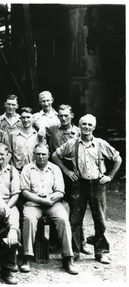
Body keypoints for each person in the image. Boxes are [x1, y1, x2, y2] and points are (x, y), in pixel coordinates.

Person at [52, 114, 122, 264]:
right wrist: (67, 171)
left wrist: (109, 177)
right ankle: (75, 251)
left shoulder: (101, 144)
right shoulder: (72, 144)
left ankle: (101, 251)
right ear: (79, 125)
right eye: (84, 124)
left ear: (94, 127)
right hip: (79, 185)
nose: (86, 127)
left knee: (100, 219)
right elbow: (55, 155)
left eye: (90, 125)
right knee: (75, 220)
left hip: (97, 184)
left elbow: (118, 158)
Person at [20, 143, 78, 275]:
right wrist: (40, 199)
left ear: (48, 155)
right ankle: (27, 257)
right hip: (33, 203)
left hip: (53, 203)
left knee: (63, 218)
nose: (40, 157)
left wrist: (49, 198)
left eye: (43, 154)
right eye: (38, 154)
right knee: (29, 218)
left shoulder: (55, 169)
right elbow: (24, 191)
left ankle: (68, 258)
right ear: (34, 154)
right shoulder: (27, 169)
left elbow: (60, 192)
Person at [47, 105, 91, 255]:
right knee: (53, 205)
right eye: (60, 115)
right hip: (56, 173)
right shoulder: (52, 130)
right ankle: (55, 241)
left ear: (72, 115)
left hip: (75, 176)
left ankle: (80, 242)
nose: (63, 118)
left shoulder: (79, 132)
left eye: (66, 115)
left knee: (76, 209)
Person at [3, 107, 41, 172]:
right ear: (20, 119)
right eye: (23, 117)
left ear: (33, 118)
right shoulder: (12, 135)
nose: (26, 120)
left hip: (34, 171)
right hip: (17, 171)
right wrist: (13, 170)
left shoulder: (38, 135)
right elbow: (9, 153)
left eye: (28, 117)